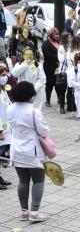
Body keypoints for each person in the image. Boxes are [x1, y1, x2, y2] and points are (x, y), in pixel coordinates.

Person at [7, 81, 50, 222]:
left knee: (23, 181)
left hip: (17, 150)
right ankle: (35, 212)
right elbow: (44, 131)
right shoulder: (34, 111)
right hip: (33, 151)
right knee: (38, 180)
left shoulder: (10, 109)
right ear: (31, 96)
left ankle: (24, 212)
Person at [41, 28, 60, 107]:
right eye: (55, 34)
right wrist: (59, 57)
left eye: (57, 34)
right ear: (51, 35)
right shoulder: (45, 44)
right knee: (49, 84)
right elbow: (47, 54)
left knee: (58, 83)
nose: (57, 36)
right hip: (49, 66)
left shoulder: (59, 43)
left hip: (58, 66)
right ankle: (48, 100)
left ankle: (60, 98)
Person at [0, 65, 11, 190]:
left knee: (2, 153)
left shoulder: (3, 90)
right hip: (1, 129)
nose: (5, 78)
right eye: (3, 75)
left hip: (6, 125)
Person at [57, 32, 72, 114]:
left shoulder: (72, 46)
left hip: (71, 71)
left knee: (70, 89)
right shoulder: (61, 47)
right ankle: (61, 107)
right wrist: (70, 59)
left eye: (71, 37)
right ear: (65, 38)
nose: (70, 39)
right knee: (63, 90)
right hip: (64, 71)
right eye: (69, 37)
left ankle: (70, 106)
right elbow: (62, 59)